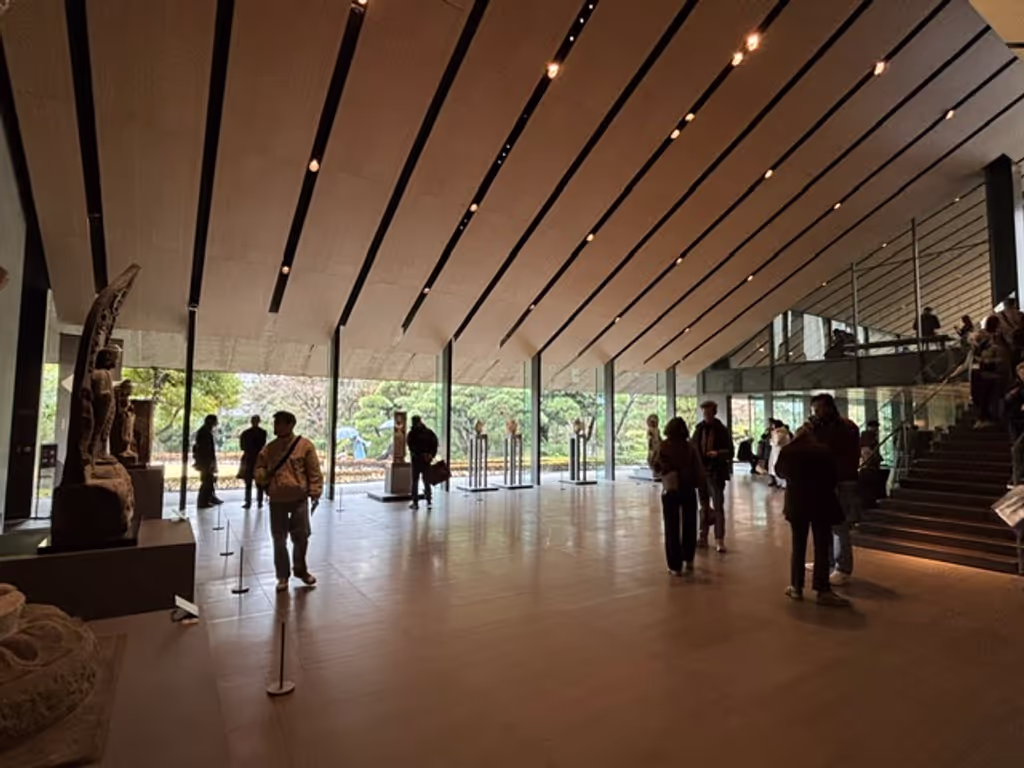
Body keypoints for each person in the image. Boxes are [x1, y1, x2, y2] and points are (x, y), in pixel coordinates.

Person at [775, 427, 851, 607]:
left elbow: (780, 472)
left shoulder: (789, 451)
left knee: (798, 546)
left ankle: (796, 587)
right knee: (821, 548)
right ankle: (822, 590)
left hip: (797, 504)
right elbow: (834, 477)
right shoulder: (823, 451)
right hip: (821, 503)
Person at [256, 411, 323, 592]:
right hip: (277, 498)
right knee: (279, 539)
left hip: (299, 498)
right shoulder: (270, 448)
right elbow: (259, 467)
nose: (275, 426)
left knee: (301, 537)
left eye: (278, 423)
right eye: (275, 422)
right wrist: (262, 476)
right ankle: (282, 576)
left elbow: (314, 470)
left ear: (289, 424)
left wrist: (315, 491)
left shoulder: (305, 446)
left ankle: (300, 570)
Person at [808, 394, 860, 586]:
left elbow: (827, 447)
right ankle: (826, 560)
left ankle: (843, 567)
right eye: (814, 411)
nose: (816, 414)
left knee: (839, 526)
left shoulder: (844, 427)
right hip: (826, 481)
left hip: (842, 480)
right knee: (824, 524)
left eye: (819, 409)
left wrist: (815, 429)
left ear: (829, 407)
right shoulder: (828, 427)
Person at [653, 417, 706, 575]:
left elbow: (655, 465)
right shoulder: (690, 447)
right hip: (688, 487)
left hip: (670, 489)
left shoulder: (663, 446)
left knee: (671, 526)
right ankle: (688, 557)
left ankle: (674, 565)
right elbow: (698, 470)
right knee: (690, 524)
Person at [693, 400, 733, 553]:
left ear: (714, 413)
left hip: (716, 473)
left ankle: (719, 539)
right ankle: (702, 536)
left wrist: (718, 454)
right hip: (702, 473)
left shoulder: (722, 430)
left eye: (709, 413)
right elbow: (693, 447)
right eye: (704, 413)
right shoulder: (699, 429)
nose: (706, 416)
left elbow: (730, 452)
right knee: (703, 506)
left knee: (718, 507)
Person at [970, 316, 1012, 427]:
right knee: (984, 386)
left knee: (985, 387)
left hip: (992, 371)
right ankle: (985, 416)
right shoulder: (993, 338)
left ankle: (985, 416)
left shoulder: (993, 338)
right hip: (992, 370)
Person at [407, 416, 439, 510]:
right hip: (426, 460)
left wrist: (417, 454)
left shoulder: (411, 434)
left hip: (416, 460)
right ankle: (429, 500)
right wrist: (431, 455)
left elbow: (411, 447)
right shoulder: (429, 432)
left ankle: (415, 502)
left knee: (415, 481)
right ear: (421, 421)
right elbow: (435, 444)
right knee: (426, 480)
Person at [193, 414, 221, 509]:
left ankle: (209, 498)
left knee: (208, 480)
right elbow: (206, 449)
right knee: (206, 481)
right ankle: (202, 502)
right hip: (205, 461)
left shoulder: (204, 431)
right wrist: (210, 463)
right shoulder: (205, 433)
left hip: (205, 461)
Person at [239, 415, 267, 509]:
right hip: (258, 458)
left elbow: (242, 446)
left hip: (248, 458)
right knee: (258, 481)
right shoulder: (263, 433)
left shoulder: (246, 433)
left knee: (248, 482)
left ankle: (248, 502)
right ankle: (259, 502)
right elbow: (263, 446)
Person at [1005, 363, 1024, 486]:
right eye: (1021, 373)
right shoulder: (1017, 387)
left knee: (1017, 448)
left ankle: (1017, 478)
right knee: (1016, 448)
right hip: (1016, 420)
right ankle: (1016, 477)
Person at [768, 419, 792, 489]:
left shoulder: (780, 432)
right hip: (777, 451)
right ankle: (780, 483)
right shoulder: (782, 431)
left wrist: (771, 441)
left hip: (778, 451)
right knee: (776, 466)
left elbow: (776, 442)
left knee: (778, 466)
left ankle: (783, 484)